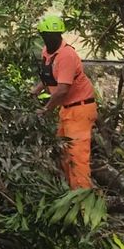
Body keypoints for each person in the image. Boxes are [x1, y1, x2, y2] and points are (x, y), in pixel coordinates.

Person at [30, 14, 98, 190]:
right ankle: (70, 193)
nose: (50, 39)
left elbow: (62, 90)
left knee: (77, 157)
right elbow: (49, 76)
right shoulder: (47, 51)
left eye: (54, 35)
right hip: (66, 109)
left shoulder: (66, 55)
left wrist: (46, 108)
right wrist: (36, 90)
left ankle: (83, 201)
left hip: (79, 109)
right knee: (64, 153)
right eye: (47, 36)